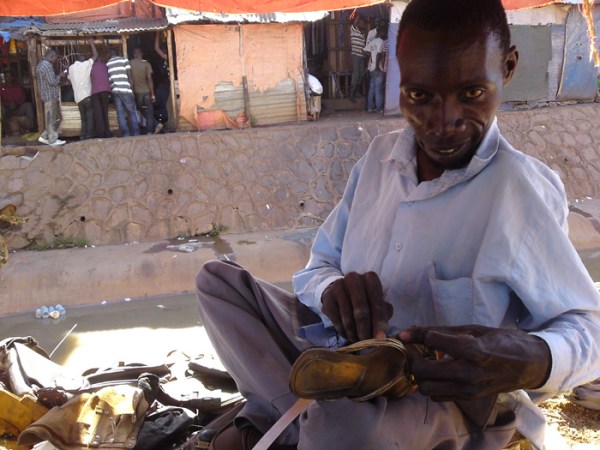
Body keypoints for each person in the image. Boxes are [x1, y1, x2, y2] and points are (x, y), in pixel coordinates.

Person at [195, 1, 600, 449]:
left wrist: (534, 358)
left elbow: (588, 328)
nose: (443, 122)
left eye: (471, 93)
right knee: (218, 283)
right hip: (346, 360)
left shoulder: (521, 191)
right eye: (420, 96)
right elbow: (317, 268)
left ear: (507, 67)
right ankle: (302, 413)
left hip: (439, 398)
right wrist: (332, 289)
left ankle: (289, 412)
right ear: (399, 79)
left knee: (346, 429)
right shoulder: (378, 162)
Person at [67, 38, 98, 140]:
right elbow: (95, 56)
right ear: (83, 59)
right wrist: (92, 44)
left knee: (83, 118)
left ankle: (82, 135)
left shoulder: (71, 68)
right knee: (89, 117)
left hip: (78, 98)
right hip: (87, 96)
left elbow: (68, 79)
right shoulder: (86, 65)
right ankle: (88, 136)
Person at [35, 49, 67, 146]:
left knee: (57, 118)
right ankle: (53, 140)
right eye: (55, 58)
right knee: (53, 118)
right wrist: (60, 76)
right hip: (50, 96)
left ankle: (44, 137)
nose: (56, 60)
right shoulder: (47, 66)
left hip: (46, 95)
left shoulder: (40, 65)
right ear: (51, 56)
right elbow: (52, 82)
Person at [107, 48, 140, 137]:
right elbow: (130, 75)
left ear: (109, 55)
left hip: (115, 91)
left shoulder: (108, 63)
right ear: (117, 53)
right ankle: (136, 132)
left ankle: (126, 133)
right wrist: (132, 90)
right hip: (126, 90)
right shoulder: (124, 60)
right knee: (131, 112)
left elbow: (110, 80)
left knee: (120, 113)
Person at [130, 47, 156, 134]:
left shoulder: (130, 63)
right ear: (142, 54)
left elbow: (130, 79)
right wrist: (152, 94)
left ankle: (140, 129)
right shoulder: (147, 64)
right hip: (147, 91)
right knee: (149, 111)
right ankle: (150, 130)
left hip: (137, 92)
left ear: (134, 55)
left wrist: (132, 91)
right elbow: (149, 79)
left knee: (139, 109)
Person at [363, 25, 387, 113]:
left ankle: (370, 107)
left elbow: (365, 50)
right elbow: (379, 55)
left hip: (371, 68)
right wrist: (377, 66)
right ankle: (379, 108)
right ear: (382, 33)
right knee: (378, 89)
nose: (385, 34)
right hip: (378, 68)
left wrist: (371, 56)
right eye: (384, 32)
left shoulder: (373, 41)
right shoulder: (381, 42)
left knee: (372, 88)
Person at [91, 52, 112, 139]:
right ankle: (107, 132)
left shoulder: (91, 67)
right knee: (105, 112)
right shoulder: (105, 66)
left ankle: (101, 134)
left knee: (98, 113)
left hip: (95, 91)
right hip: (106, 90)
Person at [153, 31, 170, 134]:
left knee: (164, 104)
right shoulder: (167, 59)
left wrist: (158, 33)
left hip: (167, 84)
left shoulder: (169, 58)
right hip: (165, 84)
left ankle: (164, 123)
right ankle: (163, 123)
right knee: (164, 103)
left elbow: (156, 48)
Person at [349, 16, 367, 102]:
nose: (364, 25)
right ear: (358, 23)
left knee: (361, 74)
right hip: (356, 55)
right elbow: (354, 22)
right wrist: (359, 14)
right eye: (362, 24)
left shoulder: (363, 33)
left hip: (361, 56)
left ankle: (356, 91)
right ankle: (351, 93)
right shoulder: (353, 30)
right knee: (356, 74)